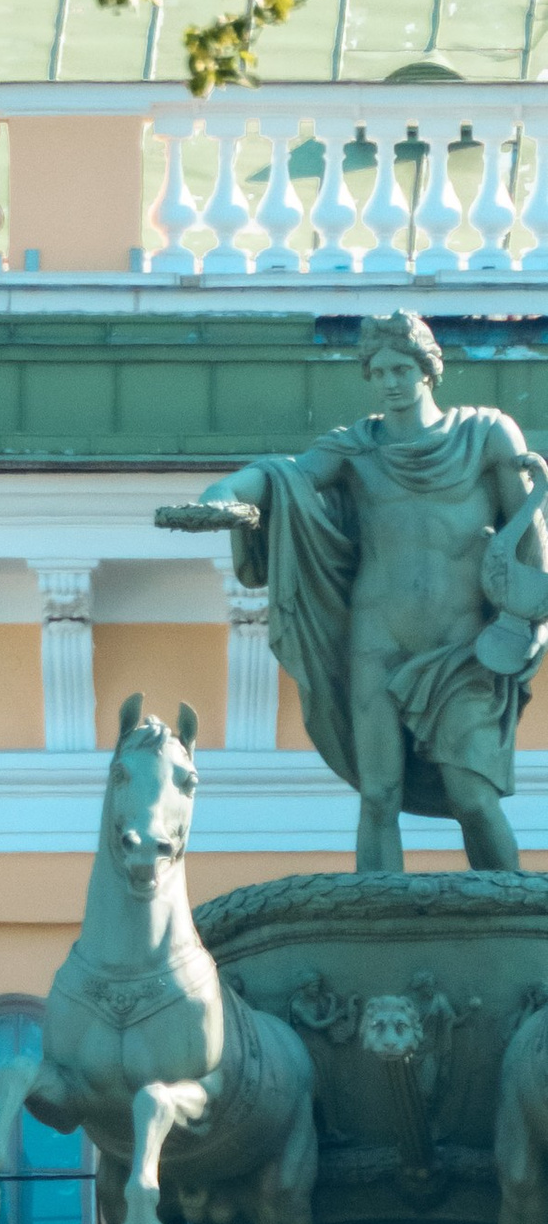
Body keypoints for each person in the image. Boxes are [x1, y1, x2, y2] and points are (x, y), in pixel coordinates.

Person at [195, 307, 548, 875]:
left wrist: (531, 623)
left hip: (463, 647)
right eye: (379, 372)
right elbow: (285, 474)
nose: (390, 383)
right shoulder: (359, 447)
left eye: (400, 370)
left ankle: (518, 928)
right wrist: (222, 493)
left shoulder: (485, 434)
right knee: (378, 795)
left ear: (427, 370)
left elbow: (528, 538)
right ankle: (373, 930)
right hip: (376, 639)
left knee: (474, 798)